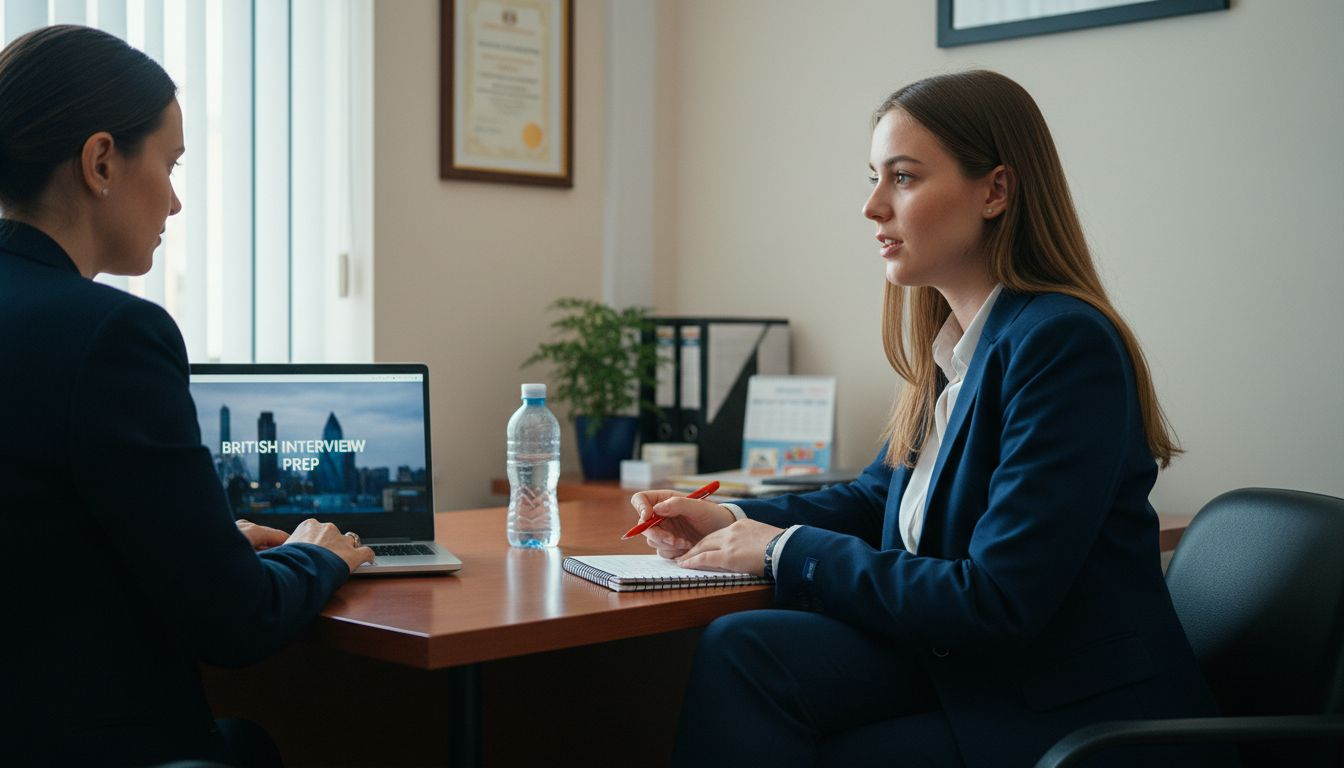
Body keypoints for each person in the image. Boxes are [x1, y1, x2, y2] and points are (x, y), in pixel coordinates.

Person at [631, 70, 1231, 767]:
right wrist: (731, 519)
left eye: (904, 178)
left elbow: (996, 598)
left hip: (1063, 709)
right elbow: (880, 498)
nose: (871, 207)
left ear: (995, 191)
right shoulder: (957, 346)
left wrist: (782, 549)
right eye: (874, 178)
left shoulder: (1064, 344)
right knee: (745, 648)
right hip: (975, 671)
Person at [0, 25, 373, 767]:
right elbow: (234, 625)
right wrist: (315, 557)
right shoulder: (112, 336)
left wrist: (203, 544)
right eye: (169, 165)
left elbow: (39, 543)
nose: (174, 201)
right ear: (101, 160)